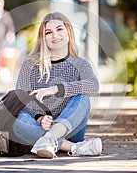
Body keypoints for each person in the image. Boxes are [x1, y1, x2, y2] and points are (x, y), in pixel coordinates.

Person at [12, 12, 102, 159]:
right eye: (48, 32)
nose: (55, 35)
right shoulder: (30, 64)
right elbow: (22, 96)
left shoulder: (80, 64)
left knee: (83, 97)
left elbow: (93, 85)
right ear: (43, 38)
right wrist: (40, 117)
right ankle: (74, 147)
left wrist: (56, 89)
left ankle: (49, 139)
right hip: (37, 127)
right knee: (15, 119)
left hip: (69, 129)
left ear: (68, 32)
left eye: (59, 29)